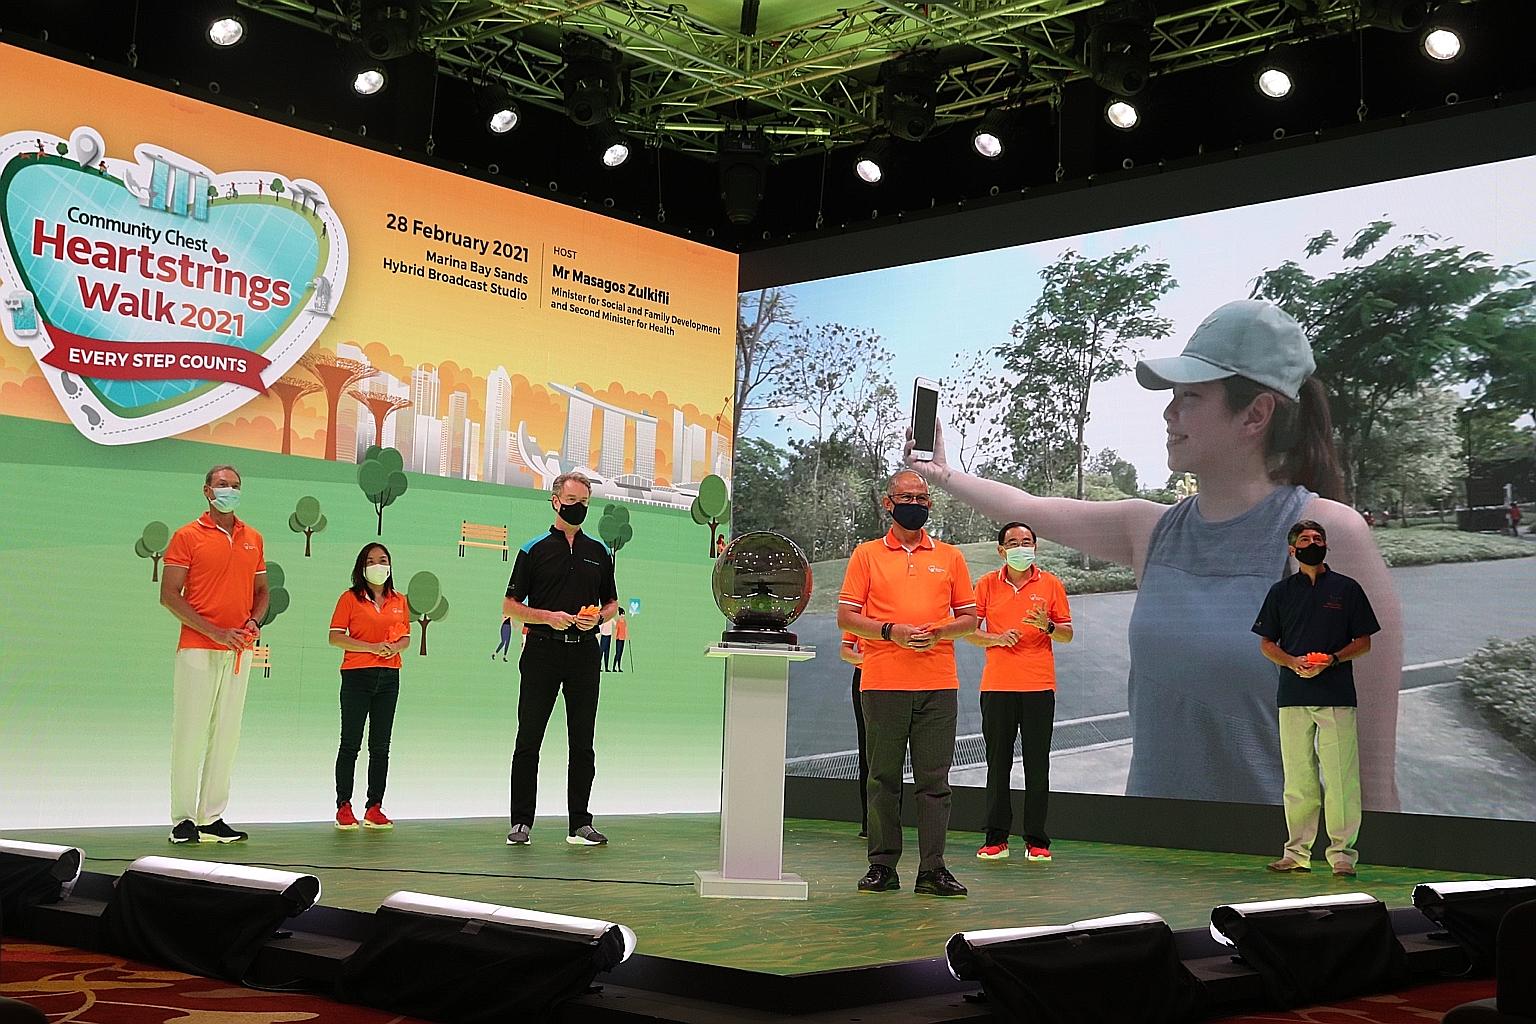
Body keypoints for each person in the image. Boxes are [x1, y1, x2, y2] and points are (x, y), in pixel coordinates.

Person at [907, 300, 1402, 810]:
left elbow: (1369, 777)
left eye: (1190, 396)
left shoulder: (1323, 537)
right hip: (1153, 851)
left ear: (1255, 414)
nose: (1169, 413)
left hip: (1273, 871)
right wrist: (941, 474)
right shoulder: (1154, 529)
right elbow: (1027, 507)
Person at [837, 469, 978, 897]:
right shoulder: (866, 555)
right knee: (883, 778)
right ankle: (882, 866)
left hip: (938, 682)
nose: (914, 503)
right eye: (905, 497)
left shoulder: (951, 557)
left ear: (930, 504)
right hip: (882, 682)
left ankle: (932, 870)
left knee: (934, 782)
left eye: (921, 497)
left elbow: (970, 619)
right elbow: (847, 617)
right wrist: (889, 631)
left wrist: (939, 632)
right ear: (888, 502)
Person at [1253, 520, 1380, 877]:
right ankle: (1296, 854)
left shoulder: (1347, 589)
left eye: (1319, 539)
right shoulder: (1280, 592)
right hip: (1292, 695)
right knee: (1297, 779)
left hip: (1336, 695)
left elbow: (1364, 642)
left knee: (1341, 778)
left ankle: (1342, 855)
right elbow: (1266, 644)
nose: (1313, 543)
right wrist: (1293, 662)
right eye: (1306, 540)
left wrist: (1333, 659)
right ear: (1292, 550)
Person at [503, 472, 618, 847]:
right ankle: (521, 822)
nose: (578, 508)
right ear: (555, 501)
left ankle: (580, 823)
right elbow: (510, 606)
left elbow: (612, 604)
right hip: (541, 651)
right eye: (571, 500)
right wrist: (547, 616)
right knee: (528, 740)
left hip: (584, 653)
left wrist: (597, 618)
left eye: (584, 502)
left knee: (583, 742)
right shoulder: (532, 549)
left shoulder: (599, 552)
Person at [158, 465, 268, 844]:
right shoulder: (187, 536)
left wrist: (253, 622)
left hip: (239, 651)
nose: (230, 490)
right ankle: (183, 819)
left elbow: (263, 592)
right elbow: (169, 594)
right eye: (223, 485)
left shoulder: (253, 537)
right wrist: (216, 631)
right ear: (207, 491)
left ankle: (211, 817)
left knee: (227, 735)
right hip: (197, 648)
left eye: (236, 486)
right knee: (190, 732)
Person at [966, 522, 1072, 863]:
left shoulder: (1051, 584)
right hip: (997, 686)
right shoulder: (985, 585)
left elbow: (1067, 634)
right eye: (1013, 542)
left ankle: (1037, 840)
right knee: (998, 765)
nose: (1021, 547)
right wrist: (995, 638)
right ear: (1001, 550)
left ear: (1035, 547)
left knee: (1037, 766)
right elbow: (969, 631)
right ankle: (996, 838)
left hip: (1038, 687)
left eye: (1027, 541)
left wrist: (1049, 626)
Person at [328, 543, 410, 831]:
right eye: (371, 561)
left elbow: (406, 638)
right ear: (362, 567)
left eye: (383, 560)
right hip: (356, 675)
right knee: (350, 742)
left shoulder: (399, 600)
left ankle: (374, 806)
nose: (378, 565)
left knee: (381, 745)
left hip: (389, 676)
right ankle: (344, 805)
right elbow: (336, 637)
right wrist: (371, 648)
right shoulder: (349, 599)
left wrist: (393, 647)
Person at [838, 632, 869, 837]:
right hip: (865, 677)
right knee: (867, 748)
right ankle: (870, 823)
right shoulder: (859, 614)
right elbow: (845, 651)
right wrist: (868, 660)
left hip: (899, 678)